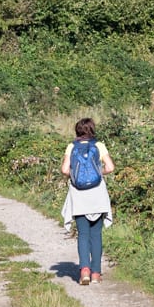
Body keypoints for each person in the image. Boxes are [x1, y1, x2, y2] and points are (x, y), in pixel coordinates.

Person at [59, 117, 115, 285]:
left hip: (78, 195)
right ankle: (96, 273)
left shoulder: (71, 146)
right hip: (97, 194)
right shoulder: (99, 146)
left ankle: (84, 270)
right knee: (96, 234)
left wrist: (77, 175)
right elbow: (110, 167)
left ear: (77, 131)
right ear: (92, 130)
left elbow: (64, 170)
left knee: (83, 234)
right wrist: (98, 172)